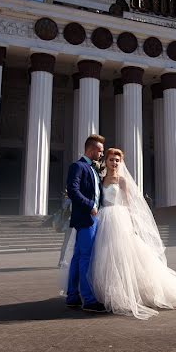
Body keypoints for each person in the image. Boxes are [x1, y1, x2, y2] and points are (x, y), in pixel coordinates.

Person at [86, 147, 176, 319]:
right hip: (105, 219)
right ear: (106, 161)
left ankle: (130, 293)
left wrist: (130, 222)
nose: (114, 163)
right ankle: (112, 293)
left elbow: (129, 203)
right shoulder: (101, 180)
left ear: (120, 162)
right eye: (111, 159)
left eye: (117, 160)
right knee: (107, 258)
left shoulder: (122, 180)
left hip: (119, 219)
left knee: (125, 256)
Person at [63, 134, 107, 313]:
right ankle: (88, 300)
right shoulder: (78, 166)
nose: (102, 154)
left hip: (92, 218)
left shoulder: (94, 169)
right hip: (86, 218)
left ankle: (73, 296)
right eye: (100, 150)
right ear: (91, 149)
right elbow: (72, 191)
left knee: (78, 257)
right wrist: (90, 206)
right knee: (86, 258)